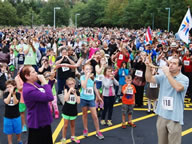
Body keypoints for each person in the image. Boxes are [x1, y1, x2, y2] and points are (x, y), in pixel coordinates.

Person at [145, 57, 189, 144]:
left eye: (174, 63)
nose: (171, 65)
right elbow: (149, 79)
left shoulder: (184, 78)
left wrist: (168, 74)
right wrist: (147, 67)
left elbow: (178, 87)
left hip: (174, 117)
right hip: (162, 115)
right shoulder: (163, 76)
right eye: (170, 63)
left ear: (180, 67)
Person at [20, 65, 54, 144]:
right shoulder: (29, 90)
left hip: (43, 120)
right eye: (33, 72)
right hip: (38, 123)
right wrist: (44, 82)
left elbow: (44, 92)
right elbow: (49, 97)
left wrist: (51, 81)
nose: (36, 73)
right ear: (27, 76)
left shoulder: (34, 84)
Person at [80, 64, 104, 140]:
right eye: (86, 69)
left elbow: (95, 88)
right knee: (84, 114)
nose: (87, 71)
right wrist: (87, 77)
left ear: (91, 70)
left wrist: (99, 97)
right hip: (83, 98)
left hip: (91, 99)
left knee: (95, 115)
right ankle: (85, 129)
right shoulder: (82, 77)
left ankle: (98, 131)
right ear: (83, 70)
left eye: (89, 69)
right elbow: (84, 86)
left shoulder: (94, 78)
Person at [60, 77, 80, 144]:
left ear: (75, 83)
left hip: (73, 110)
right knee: (65, 125)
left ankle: (73, 136)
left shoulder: (77, 91)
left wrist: (74, 93)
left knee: (72, 125)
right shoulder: (66, 90)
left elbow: (78, 101)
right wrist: (69, 91)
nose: (71, 85)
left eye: (72, 84)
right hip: (66, 110)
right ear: (67, 85)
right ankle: (63, 138)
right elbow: (65, 99)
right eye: (69, 84)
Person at [3, 80, 23, 144]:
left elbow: (15, 102)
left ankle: (19, 140)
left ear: (14, 87)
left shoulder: (18, 94)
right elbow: (6, 102)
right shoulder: (5, 94)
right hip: (7, 117)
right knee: (9, 132)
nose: (9, 88)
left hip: (16, 116)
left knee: (18, 131)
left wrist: (13, 94)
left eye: (10, 86)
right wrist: (10, 94)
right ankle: (10, 142)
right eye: (7, 87)